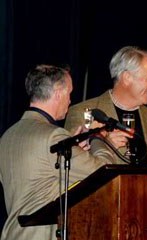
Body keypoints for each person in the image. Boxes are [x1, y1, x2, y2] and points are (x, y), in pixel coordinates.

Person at [64, 46, 147, 239]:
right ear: (127, 78)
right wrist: (103, 143)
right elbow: (71, 175)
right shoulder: (85, 113)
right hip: (103, 226)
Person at [0, 65, 116, 240]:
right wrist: (99, 138)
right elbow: (103, 173)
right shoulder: (53, 136)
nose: (70, 100)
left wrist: (74, 147)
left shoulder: (8, 136)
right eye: (69, 93)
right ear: (58, 93)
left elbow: (39, 179)